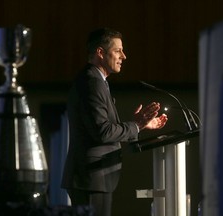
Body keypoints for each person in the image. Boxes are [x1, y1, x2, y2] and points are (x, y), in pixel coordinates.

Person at [61, 27, 168, 216]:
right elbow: (103, 132)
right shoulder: (92, 82)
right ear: (100, 53)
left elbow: (104, 128)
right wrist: (137, 125)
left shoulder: (97, 81)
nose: (124, 56)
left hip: (95, 178)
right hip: (92, 179)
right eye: (118, 50)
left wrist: (138, 125)